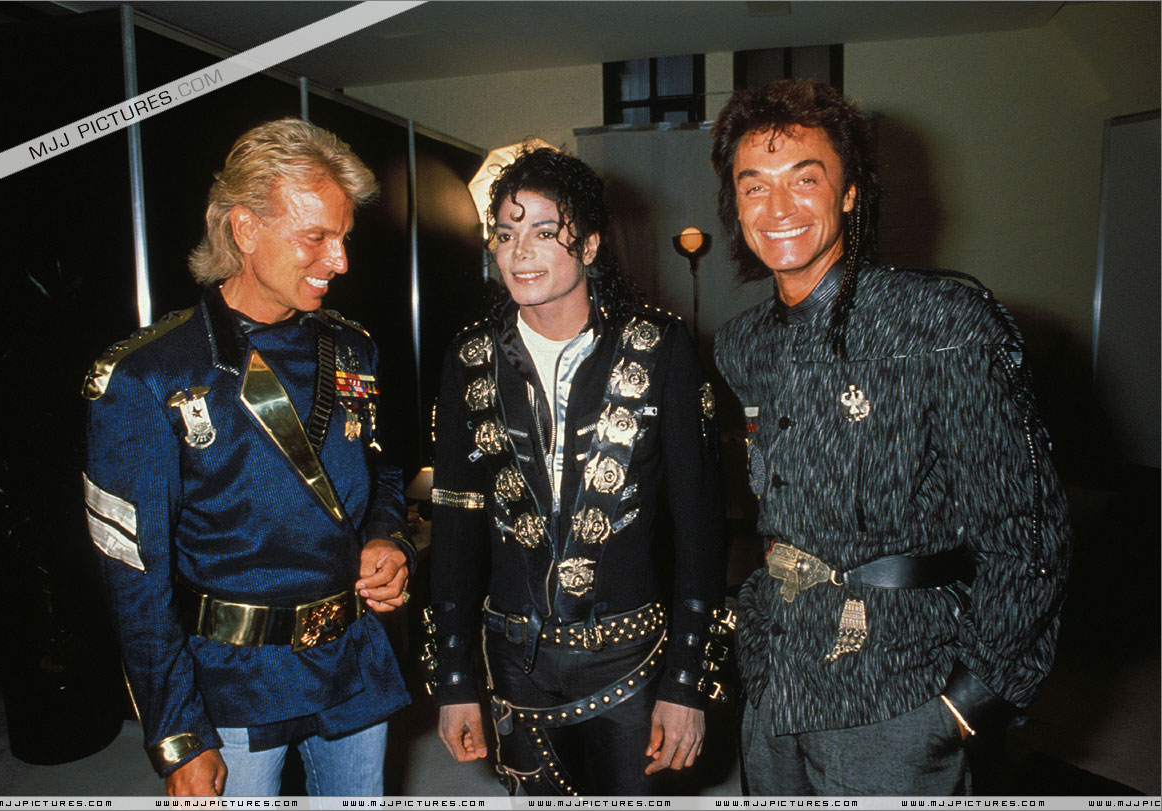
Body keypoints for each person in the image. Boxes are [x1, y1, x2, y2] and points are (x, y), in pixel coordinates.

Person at [711, 79, 1072, 796]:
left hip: (897, 691)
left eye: (803, 180)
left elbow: (1025, 528)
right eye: (754, 187)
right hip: (777, 674)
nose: (777, 208)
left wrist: (974, 697)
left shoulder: (940, 323)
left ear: (850, 194)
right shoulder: (741, 345)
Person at [82, 118, 415, 796]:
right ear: (244, 229)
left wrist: (387, 535)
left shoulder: (354, 350)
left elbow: (379, 467)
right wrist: (177, 734)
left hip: (351, 663)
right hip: (229, 681)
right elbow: (133, 577)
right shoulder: (149, 375)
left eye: (344, 237)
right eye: (316, 236)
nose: (341, 260)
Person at [423, 146, 729, 796]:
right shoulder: (470, 357)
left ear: (588, 245)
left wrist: (686, 680)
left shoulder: (661, 347)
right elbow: (454, 526)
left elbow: (700, 528)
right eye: (505, 234)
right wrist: (454, 675)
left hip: (631, 659)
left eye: (542, 231)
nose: (519, 252)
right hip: (513, 661)